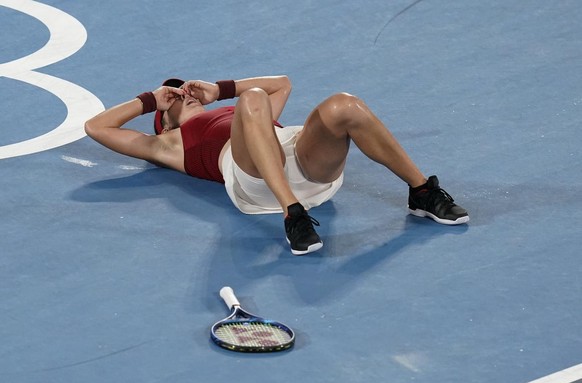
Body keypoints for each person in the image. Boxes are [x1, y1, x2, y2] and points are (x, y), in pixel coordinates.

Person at [85, 75, 469, 255]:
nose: (181, 92)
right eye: (174, 99)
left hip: (302, 164)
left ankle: (422, 191)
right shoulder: (166, 144)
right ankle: (293, 216)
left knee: (344, 104)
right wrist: (152, 99)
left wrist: (220, 90)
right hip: (253, 179)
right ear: (164, 123)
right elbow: (96, 126)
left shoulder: (239, 110)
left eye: (182, 88)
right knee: (254, 100)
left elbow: (282, 83)